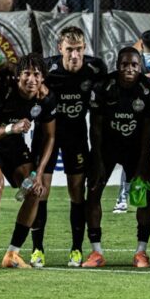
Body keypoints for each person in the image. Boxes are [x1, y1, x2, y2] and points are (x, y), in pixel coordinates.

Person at [35, 27, 107, 268]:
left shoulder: (96, 69)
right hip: (46, 136)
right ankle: (37, 250)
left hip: (76, 136)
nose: (75, 55)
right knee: (40, 191)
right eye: (69, 50)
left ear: (84, 49)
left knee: (77, 192)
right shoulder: (46, 69)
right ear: (60, 49)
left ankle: (76, 249)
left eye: (79, 50)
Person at [0, 54, 58, 269]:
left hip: (13, 145)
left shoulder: (45, 98)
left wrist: (39, 173)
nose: (31, 79)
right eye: (26, 74)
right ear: (17, 76)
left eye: (37, 75)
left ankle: (12, 254)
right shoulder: (3, 89)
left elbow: (50, 136)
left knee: (34, 191)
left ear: (43, 78)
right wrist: (10, 128)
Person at [84, 48, 150, 267]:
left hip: (136, 148)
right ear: (118, 65)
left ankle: (141, 252)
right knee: (94, 191)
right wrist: (96, 160)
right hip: (107, 147)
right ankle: (96, 252)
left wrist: (144, 160)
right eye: (125, 64)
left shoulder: (148, 88)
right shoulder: (103, 87)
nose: (129, 69)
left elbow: (148, 128)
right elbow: (95, 128)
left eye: (134, 65)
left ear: (140, 66)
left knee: (144, 194)